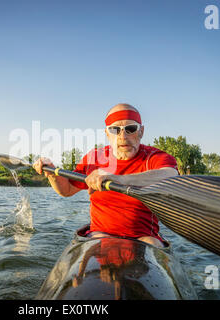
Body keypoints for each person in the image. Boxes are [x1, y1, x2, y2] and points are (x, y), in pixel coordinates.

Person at [32, 103, 178, 248]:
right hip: (100, 234)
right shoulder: (94, 158)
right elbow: (67, 190)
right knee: (98, 243)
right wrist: (51, 172)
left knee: (150, 243)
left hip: (144, 237)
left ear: (141, 132)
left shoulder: (155, 157)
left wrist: (118, 179)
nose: (123, 136)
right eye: (115, 130)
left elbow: (171, 176)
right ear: (107, 133)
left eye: (130, 129)